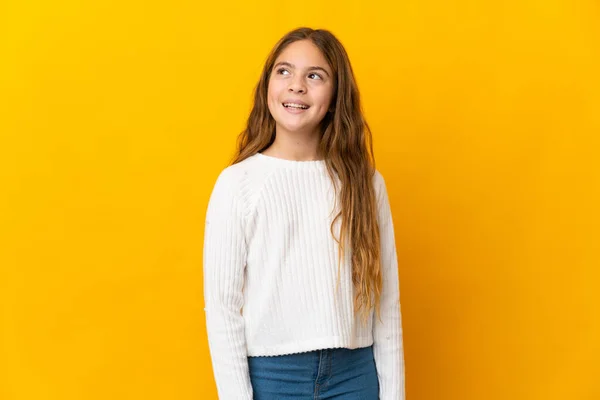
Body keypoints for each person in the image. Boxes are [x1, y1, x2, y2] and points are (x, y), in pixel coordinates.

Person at [203, 27, 405, 400]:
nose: (297, 86)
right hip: (272, 377)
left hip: (355, 375)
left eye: (315, 76)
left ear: (335, 94)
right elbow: (222, 309)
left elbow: (385, 302)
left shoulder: (365, 183)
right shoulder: (238, 184)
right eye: (284, 71)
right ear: (268, 86)